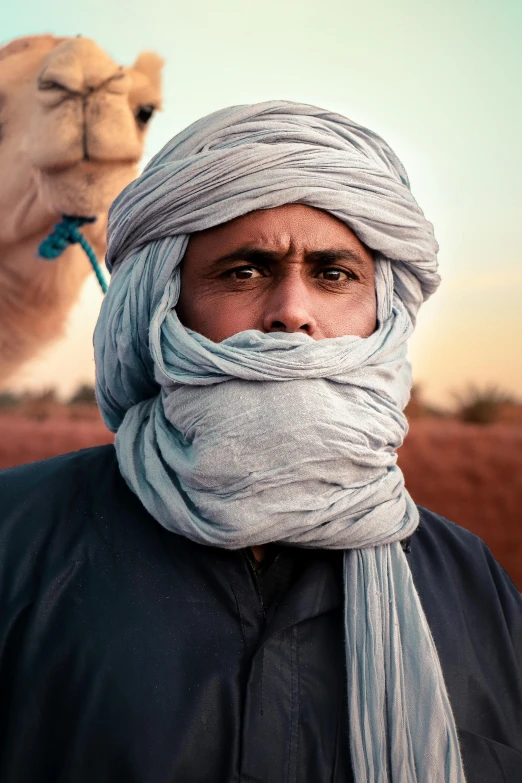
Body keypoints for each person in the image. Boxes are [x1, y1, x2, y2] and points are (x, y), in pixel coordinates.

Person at [0, 101, 520, 783]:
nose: (293, 312)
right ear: (161, 303)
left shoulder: (469, 581)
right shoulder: (19, 540)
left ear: (381, 314)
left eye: (334, 274)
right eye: (245, 270)